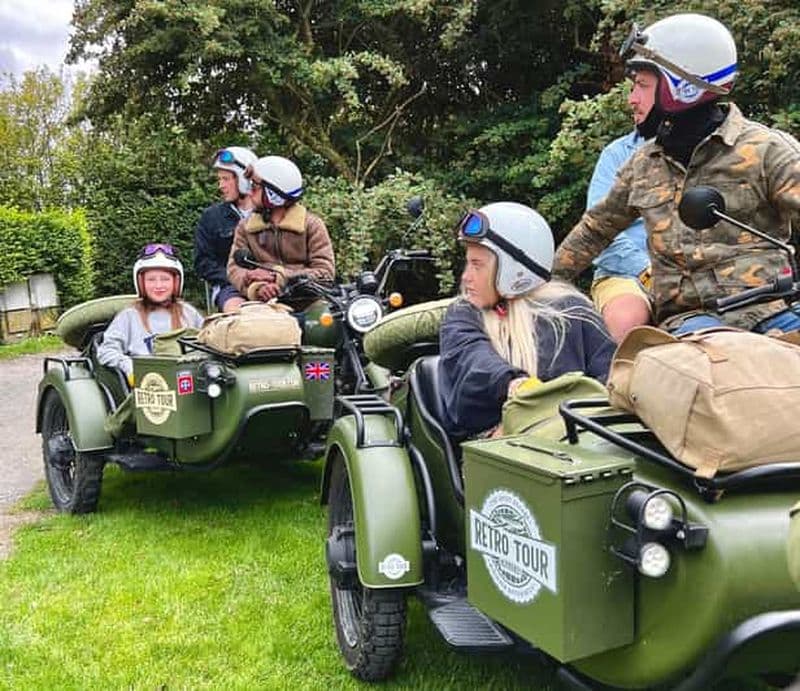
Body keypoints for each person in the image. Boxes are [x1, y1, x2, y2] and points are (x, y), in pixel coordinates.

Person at [552, 13, 800, 336]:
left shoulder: (768, 151)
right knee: (704, 370)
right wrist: (535, 286)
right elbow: (594, 231)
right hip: (694, 321)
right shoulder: (642, 165)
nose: (632, 99)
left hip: (773, 309)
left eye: (641, 85)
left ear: (682, 87)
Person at [438, 202, 616, 439]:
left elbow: (610, 375)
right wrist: (514, 384)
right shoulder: (463, 314)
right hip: (496, 449)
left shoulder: (573, 310)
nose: (466, 277)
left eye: (477, 265)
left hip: (580, 436)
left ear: (514, 268)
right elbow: (471, 357)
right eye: (468, 263)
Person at [588, 67, 659, 342]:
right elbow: (600, 236)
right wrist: (649, 274)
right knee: (627, 319)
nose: (632, 99)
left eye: (642, 87)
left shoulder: (711, 153)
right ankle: (611, 383)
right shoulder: (616, 155)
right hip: (626, 274)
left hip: (698, 274)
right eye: (633, 87)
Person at [226, 155, 335, 306]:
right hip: (261, 303)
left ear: (274, 194)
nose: (249, 192)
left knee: (325, 325)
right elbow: (234, 268)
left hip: (306, 301)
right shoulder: (245, 227)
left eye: (254, 187)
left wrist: (279, 277)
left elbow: (325, 273)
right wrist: (258, 288)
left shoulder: (311, 225)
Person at [98, 244, 204, 385]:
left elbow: (208, 342)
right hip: (147, 388)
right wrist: (128, 366)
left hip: (187, 385)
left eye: (165, 279)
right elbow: (106, 351)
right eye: (151, 279)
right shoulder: (129, 316)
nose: (158, 285)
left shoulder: (189, 313)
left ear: (176, 282)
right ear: (141, 283)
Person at [194, 146, 258, 312]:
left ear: (245, 179)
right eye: (219, 179)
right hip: (229, 288)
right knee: (240, 316)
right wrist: (239, 278)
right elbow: (203, 263)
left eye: (226, 179)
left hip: (271, 285)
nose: (220, 185)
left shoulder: (271, 214)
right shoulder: (211, 217)